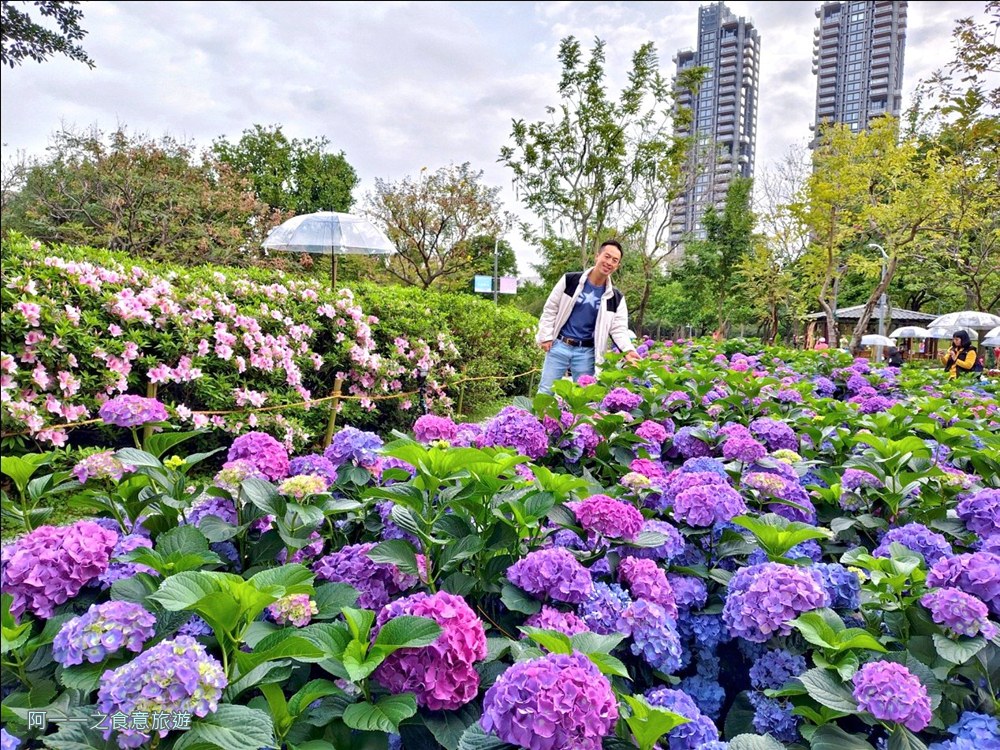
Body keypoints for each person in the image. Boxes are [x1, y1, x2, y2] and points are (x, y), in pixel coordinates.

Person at [536, 240, 639, 394]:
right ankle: (539, 419)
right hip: (560, 345)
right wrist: (545, 336)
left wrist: (629, 351)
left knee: (585, 397)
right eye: (607, 256)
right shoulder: (570, 280)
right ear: (597, 256)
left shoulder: (615, 298)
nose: (609, 262)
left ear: (617, 266)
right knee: (546, 391)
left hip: (586, 352)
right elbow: (551, 308)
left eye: (614, 260)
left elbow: (619, 329)